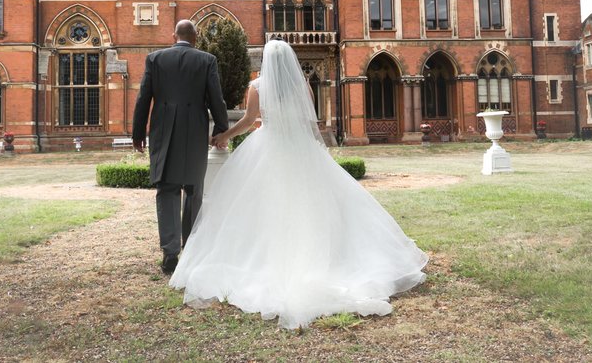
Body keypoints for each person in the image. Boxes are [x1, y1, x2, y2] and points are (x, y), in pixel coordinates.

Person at [169, 39, 428, 329]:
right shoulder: (301, 84)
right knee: (310, 205)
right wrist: (317, 150)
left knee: (262, 206)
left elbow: (249, 119)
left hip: (268, 147)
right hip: (299, 147)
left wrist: (224, 136)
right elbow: (310, 121)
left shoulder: (257, 87)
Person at [131, 19, 229, 274]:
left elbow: (144, 97)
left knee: (167, 189)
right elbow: (215, 98)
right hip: (195, 130)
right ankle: (192, 250)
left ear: (174, 36)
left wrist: (138, 133)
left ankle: (170, 253)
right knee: (194, 189)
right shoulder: (207, 60)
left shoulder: (155, 59)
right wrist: (220, 128)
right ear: (195, 37)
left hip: (163, 130)